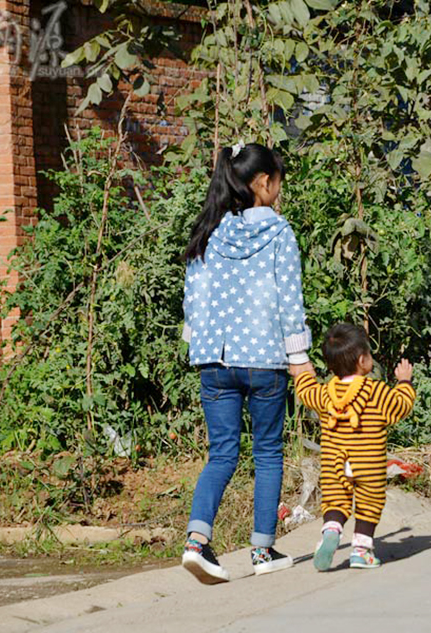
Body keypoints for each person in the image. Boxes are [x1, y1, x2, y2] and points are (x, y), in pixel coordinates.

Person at [180, 142, 313, 584]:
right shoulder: (280, 234)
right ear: (262, 183)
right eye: (277, 182)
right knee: (268, 453)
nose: (279, 190)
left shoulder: (210, 231)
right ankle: (261, 550)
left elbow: (194, 300)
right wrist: (300, 361)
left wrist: (198, 345)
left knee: (222, 453)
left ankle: (196, 543)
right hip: (264, 361)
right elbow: (290, 303)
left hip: (214, 360)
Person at [294, 323, 416, 571]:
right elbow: (401, 406)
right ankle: (361, 551)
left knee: (336, 501)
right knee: (369, 503)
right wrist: (404, 382)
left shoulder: (326, 393)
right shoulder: (376, 391)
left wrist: (304, 373)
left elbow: (306, 392)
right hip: (368, 464)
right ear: (363, 360)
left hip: (334, 462)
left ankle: (331, 531)